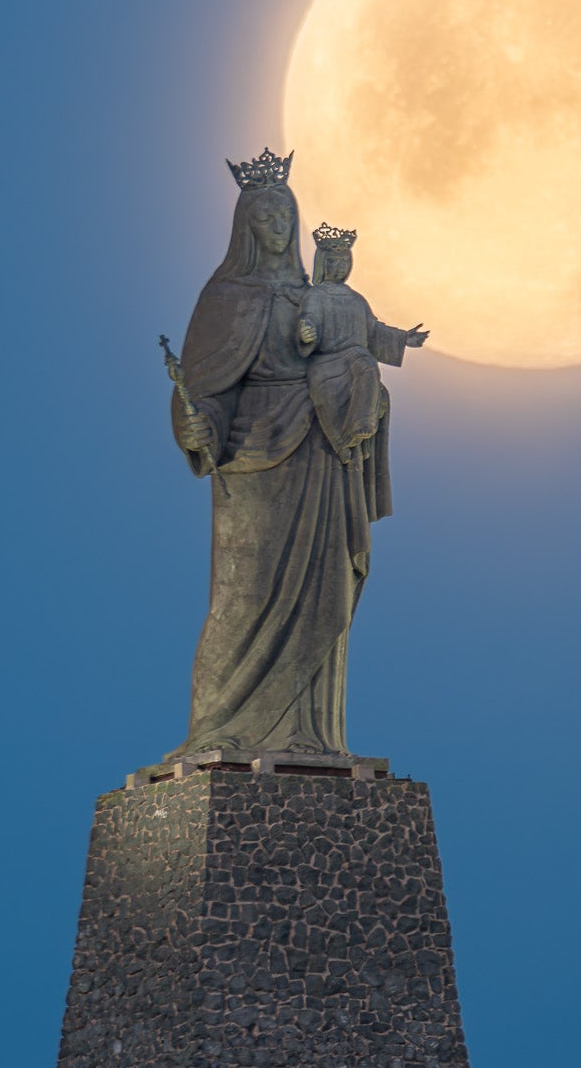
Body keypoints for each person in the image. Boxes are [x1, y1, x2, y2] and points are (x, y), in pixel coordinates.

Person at [166, 150, 427, 756]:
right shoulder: (227, 296)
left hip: (322, 452)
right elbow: (205, 387)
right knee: (244, 599)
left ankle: (311, 737)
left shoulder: (325, 297)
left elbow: (358, 347)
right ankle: (216, 733)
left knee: (323, 588)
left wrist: (367, 392)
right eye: (266, 216)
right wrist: (196, 422)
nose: (279, 227)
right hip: (255, 459)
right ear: (246, 227)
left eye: (286, 215)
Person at [298, 221, 428, 464]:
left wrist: (403, 339)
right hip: (325, 361)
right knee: (324, 392)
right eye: (334, 261)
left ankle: (360, 425)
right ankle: (341, 442)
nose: (340, 267)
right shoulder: (315, 296)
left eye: (345, 261)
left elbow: (373, 329)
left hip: (354, 356)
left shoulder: (357, 300)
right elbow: (309, 320)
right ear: (323, 264)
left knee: (366, 365)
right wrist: (307, 333)